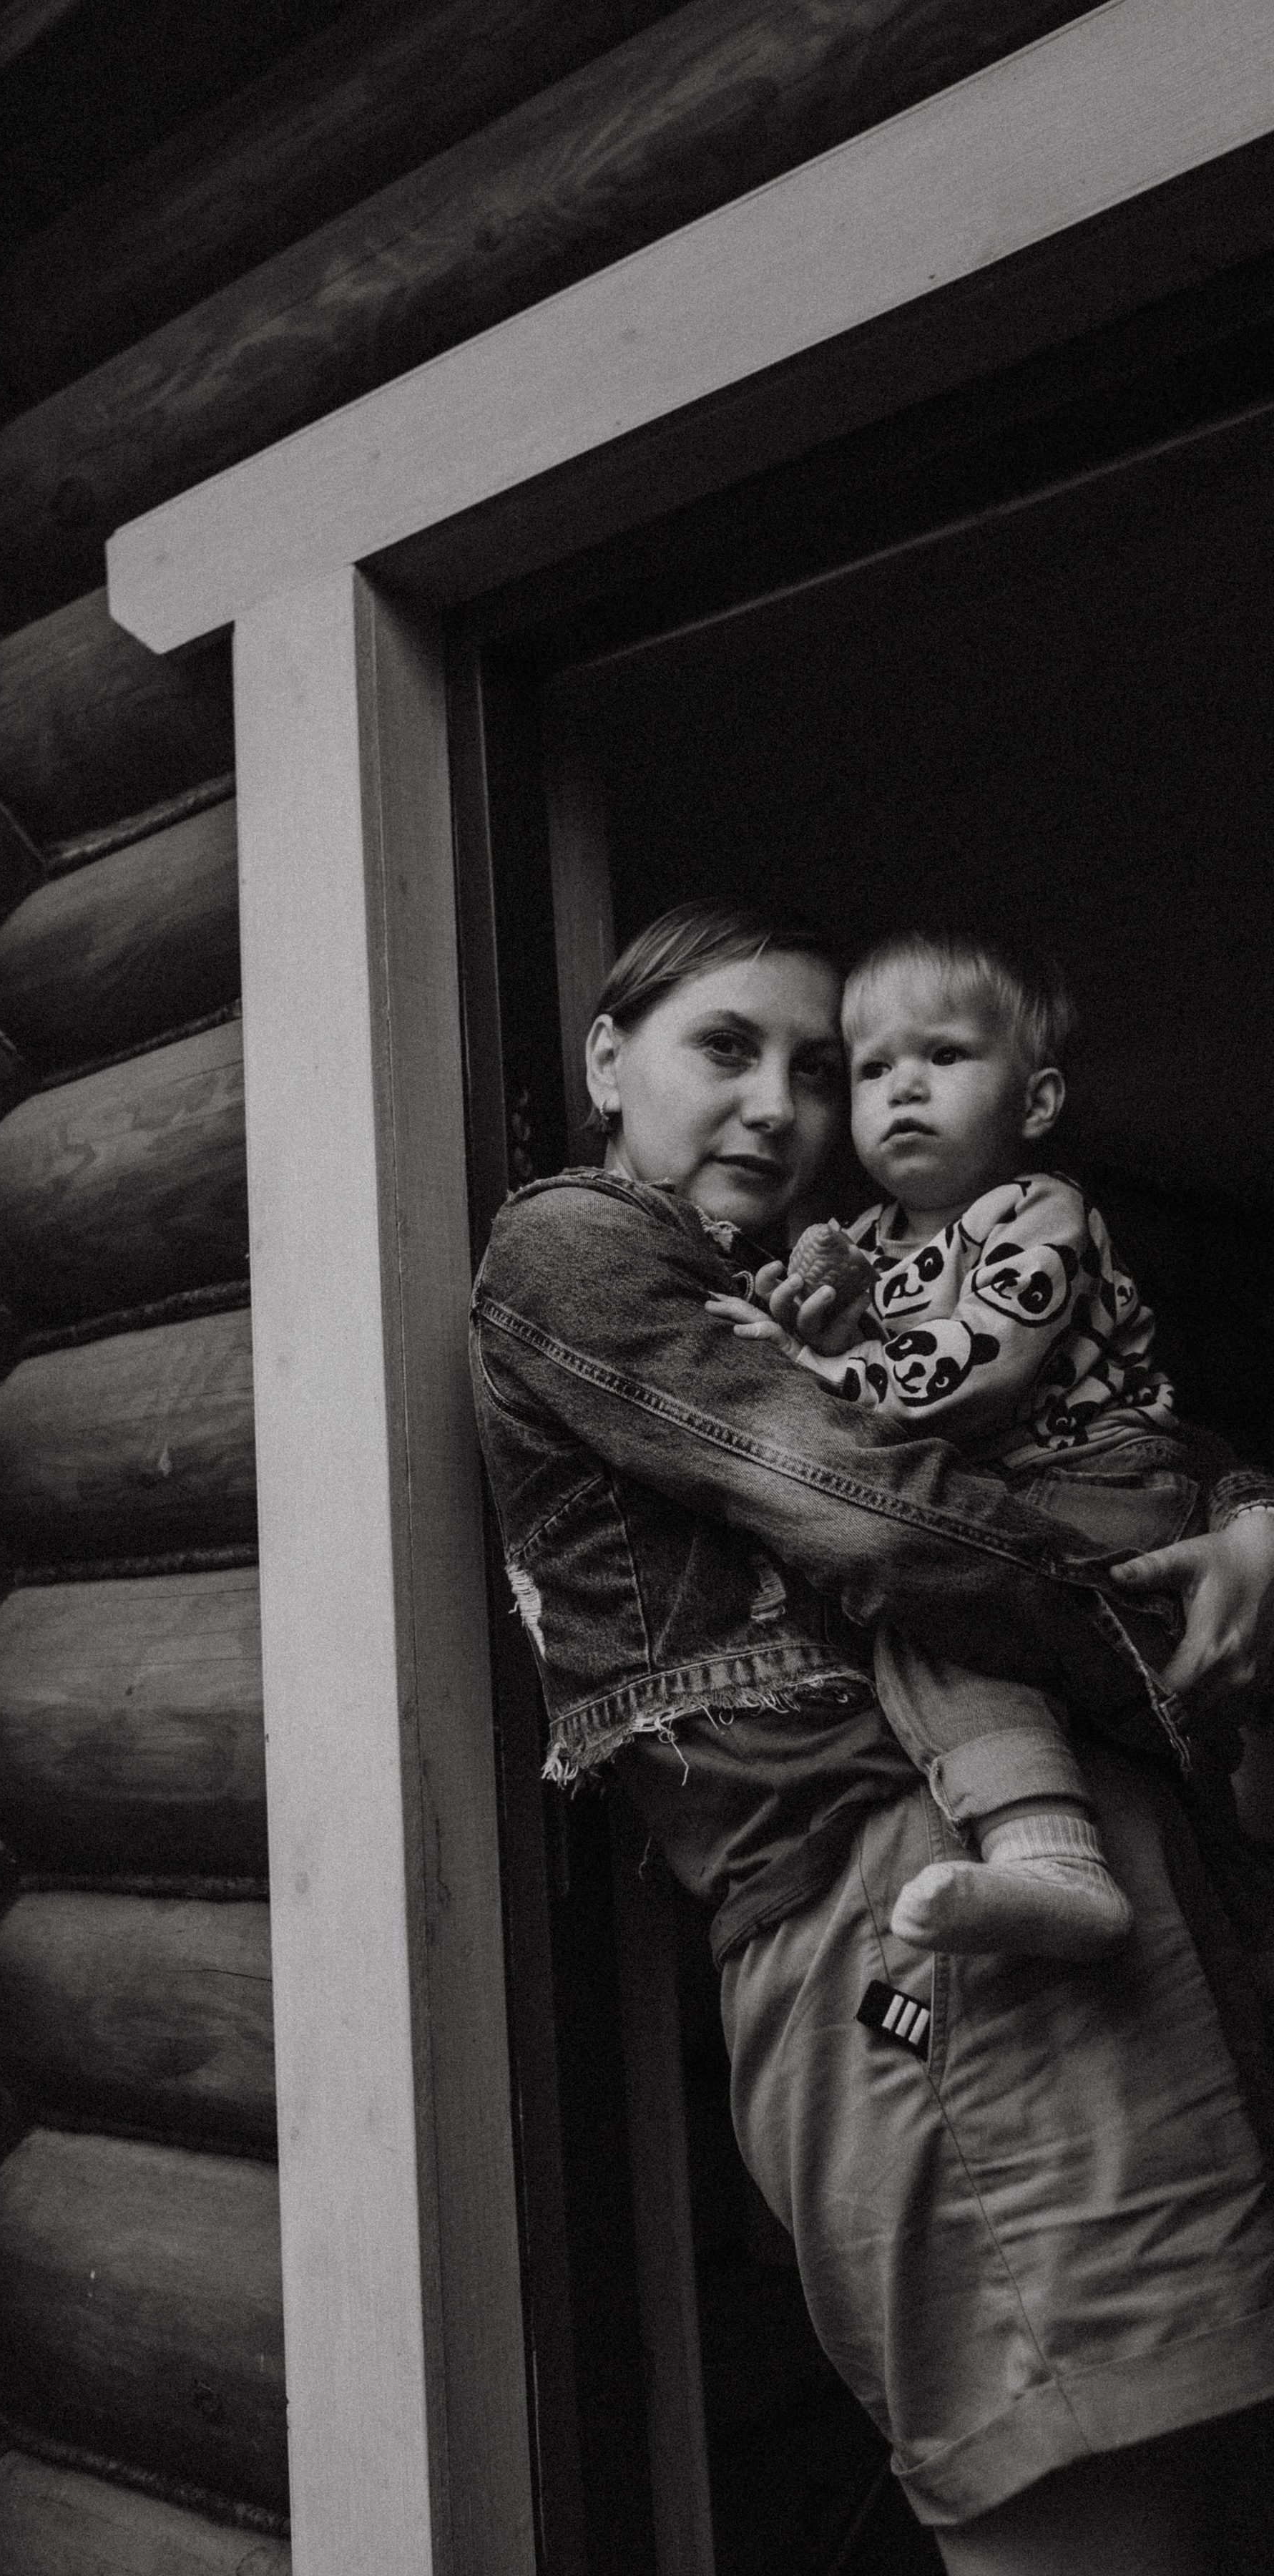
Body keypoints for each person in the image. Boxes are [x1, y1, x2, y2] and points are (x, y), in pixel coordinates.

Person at [469, 899, 1274, 2571]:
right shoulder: (577, 1246)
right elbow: (879, 1515)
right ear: (605, 1060)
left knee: (1194, 2475)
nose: (777, 1105)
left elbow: (1095, 1435)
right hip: (910, 1929)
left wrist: (1250, 1513)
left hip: (1079, 1913)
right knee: (1078, 2480)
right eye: (723, 1048)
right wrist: (1156, 1635)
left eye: (815, 1071)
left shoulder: (861, 1284)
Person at [707, 930, 1213, 1966]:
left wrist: (819, 1371)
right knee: (924, 1608)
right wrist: (799, 1323)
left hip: (1106, 1480)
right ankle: (1050, 1856)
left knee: (936, 1595)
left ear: (1035, 1103)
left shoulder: (1038, 1212)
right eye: (873, 1069)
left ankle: (1057, 1858)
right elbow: (852, 1351)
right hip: (1016, 1493)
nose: (904, 1088)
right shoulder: (865, 1239)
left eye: (944, 1055)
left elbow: (975, 1364)